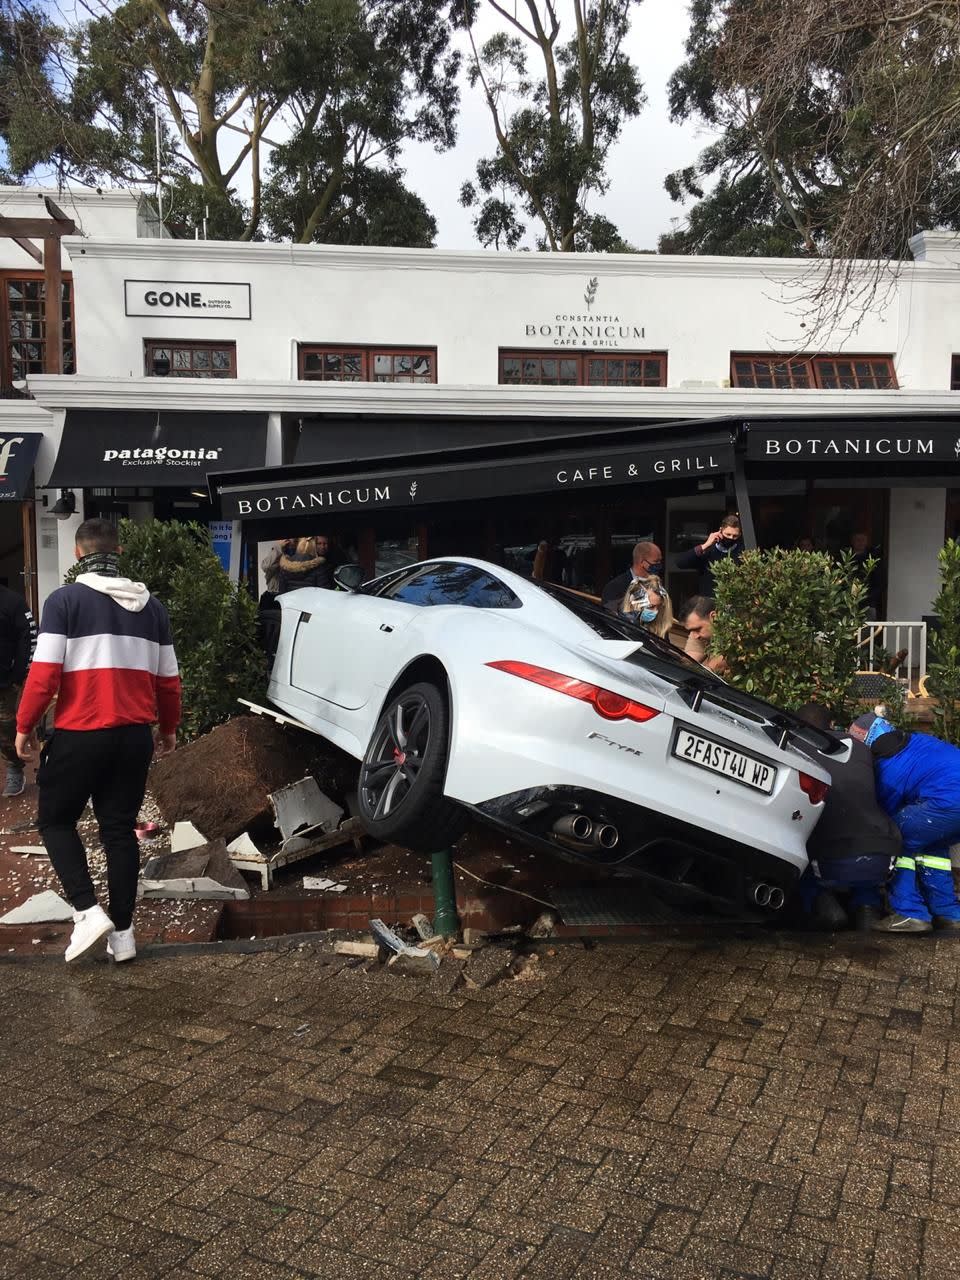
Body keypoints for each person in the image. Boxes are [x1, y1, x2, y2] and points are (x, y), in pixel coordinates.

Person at [14, 519, 181, 964]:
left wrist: (24, 724)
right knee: (118, 830)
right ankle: (123, 935)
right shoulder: (154, 609)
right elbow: (169, 681)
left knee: (55, 821)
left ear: (77, 555)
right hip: (133, 738)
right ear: (119, 552)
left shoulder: (64, 600)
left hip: (81, 733)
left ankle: (88, 912)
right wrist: (168, 728)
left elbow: (45, 672)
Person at [792, 703, 900, 931]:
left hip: (829, 859)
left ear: (799, 727)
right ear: (831, 725)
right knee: (862, 826)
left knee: (796, 843)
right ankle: (867, 908)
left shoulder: (795, 747)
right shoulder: (861, 749)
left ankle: (823, 905)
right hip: (881, 856)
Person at [850, 713, 960, 933]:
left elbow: (881, 817)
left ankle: (909, 913)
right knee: (933, 849)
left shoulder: (889, 770)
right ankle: (948, 915)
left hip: (947, 804)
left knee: (895, 837)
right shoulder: (919, 740)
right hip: (949, 806)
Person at [0, 584, 37, 797]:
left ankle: (15, 767)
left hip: (4, 683)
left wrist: (18, 675)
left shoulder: (12, 601)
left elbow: (29, 638)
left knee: (7, 729)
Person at [676, 514, 744, 594]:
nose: (731, 538)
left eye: (735, 536)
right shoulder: (707, 551)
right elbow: (680, 563)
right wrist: (705, 545)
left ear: (739, 535)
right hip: (709, 602)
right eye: (728, 534)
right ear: (720, 531)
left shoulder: (743, 552)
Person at [601, 541, 663, 614]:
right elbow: (611, 619)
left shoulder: (657, 585)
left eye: (660, 561)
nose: (659, 565)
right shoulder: (615, 587)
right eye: (656, 561)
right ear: (641, 562)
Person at [677, 596, 727, 674]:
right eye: (691, 630)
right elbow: (688, 662)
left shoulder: (737, 631)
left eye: (697, 629)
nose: (695, 636)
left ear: (714, 617)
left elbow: (711, 672)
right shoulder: (698, 631)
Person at [620, 574, 674, 639]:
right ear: (633, 602)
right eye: (650, 606)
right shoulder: (618, 626)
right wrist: (634, 625)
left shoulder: (660, 626)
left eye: (658, 606)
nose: (655, 611)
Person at [850, 531, 882, 617]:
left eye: (863, 540)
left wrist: (869, 597)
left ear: (867, 542)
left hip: (868, 603)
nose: (860, 542)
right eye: (858, 540)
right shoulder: (847, 558)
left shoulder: (873, 558)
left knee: (867, 629)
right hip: (848, 603)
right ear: (852, 541)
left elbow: (878, 582)